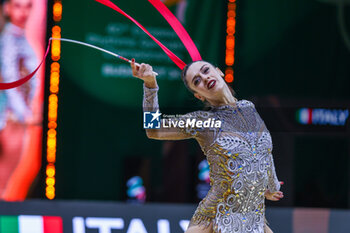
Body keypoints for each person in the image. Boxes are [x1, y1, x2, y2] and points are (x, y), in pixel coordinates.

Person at [131, 60, 284, 233]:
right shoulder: (204, 121)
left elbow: (264, 152)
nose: (204, 78)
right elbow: (154, 130)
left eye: (206, 71)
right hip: (215, 220)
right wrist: (150, 84)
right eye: (197, 81)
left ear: (219, 72)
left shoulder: (249, 107)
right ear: (199, 96)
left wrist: (271, 187)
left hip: (254, 219)